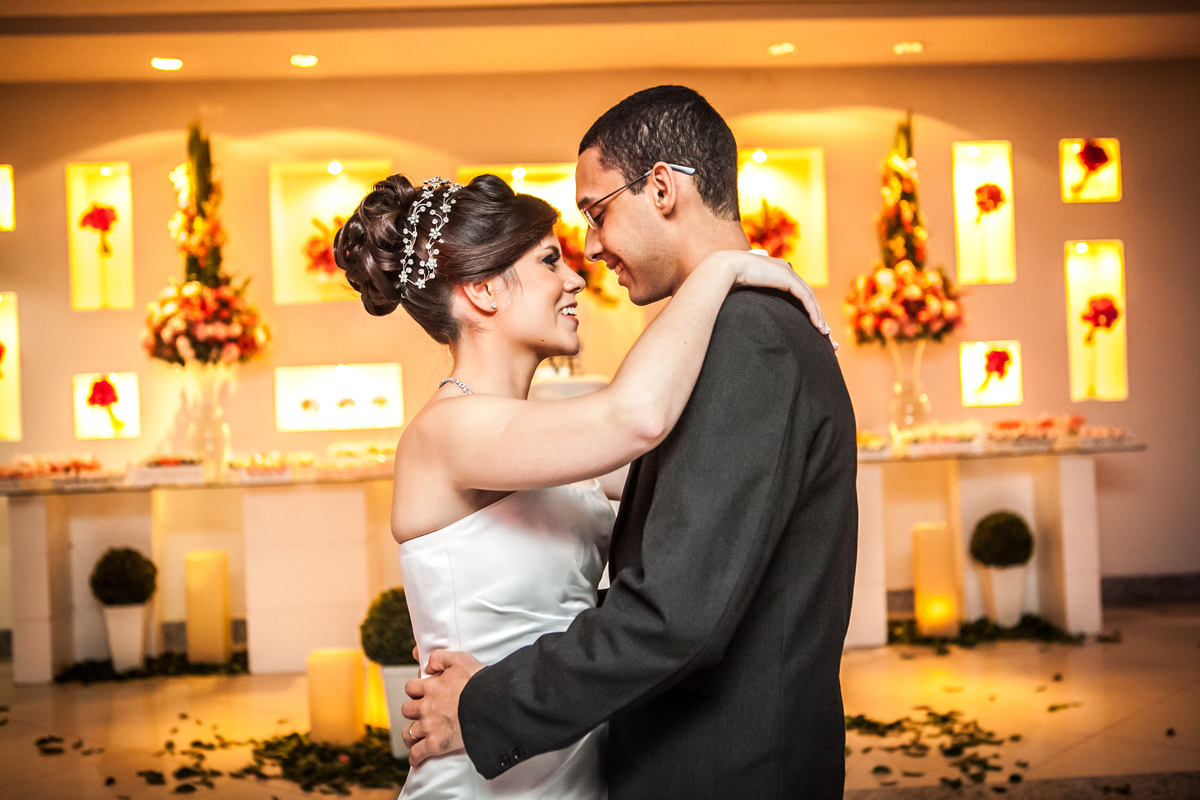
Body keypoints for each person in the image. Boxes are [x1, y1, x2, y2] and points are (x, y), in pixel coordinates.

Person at [402, 86, 858, 799]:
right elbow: (641, 457)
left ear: (663, 187)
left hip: (728, 771)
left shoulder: (745, 341)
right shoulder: (721, 337)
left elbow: (677, 613)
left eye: (595, 213)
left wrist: (488, 698)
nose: (588, 253)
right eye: (555, 255)